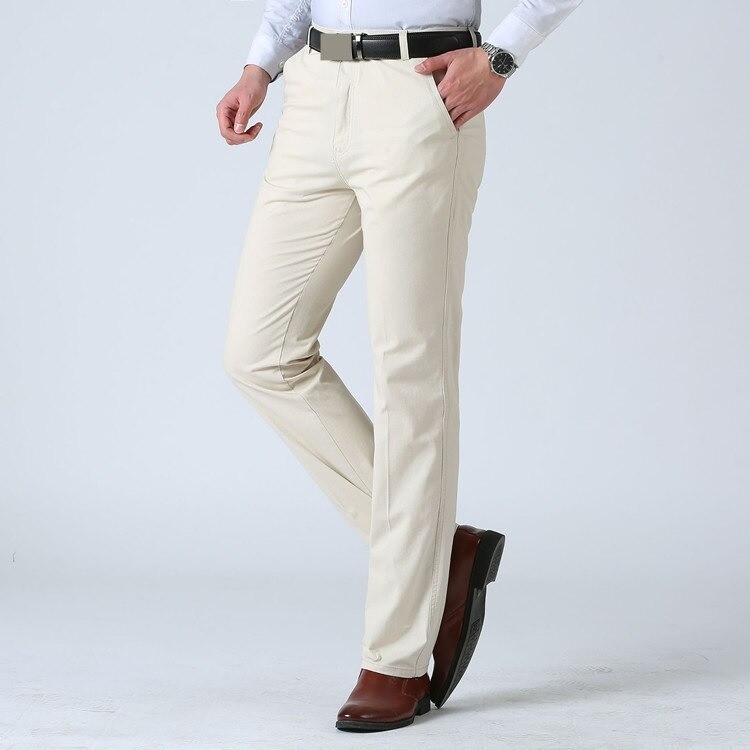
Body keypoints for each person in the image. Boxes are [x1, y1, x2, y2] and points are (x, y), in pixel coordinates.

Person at [218, 0, 582, 733]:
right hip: (314, 90)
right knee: (260, 353)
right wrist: (261, 63)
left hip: (423, 89)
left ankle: (397, 658)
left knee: (410, 375)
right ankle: (440, 553)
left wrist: (503, 54)